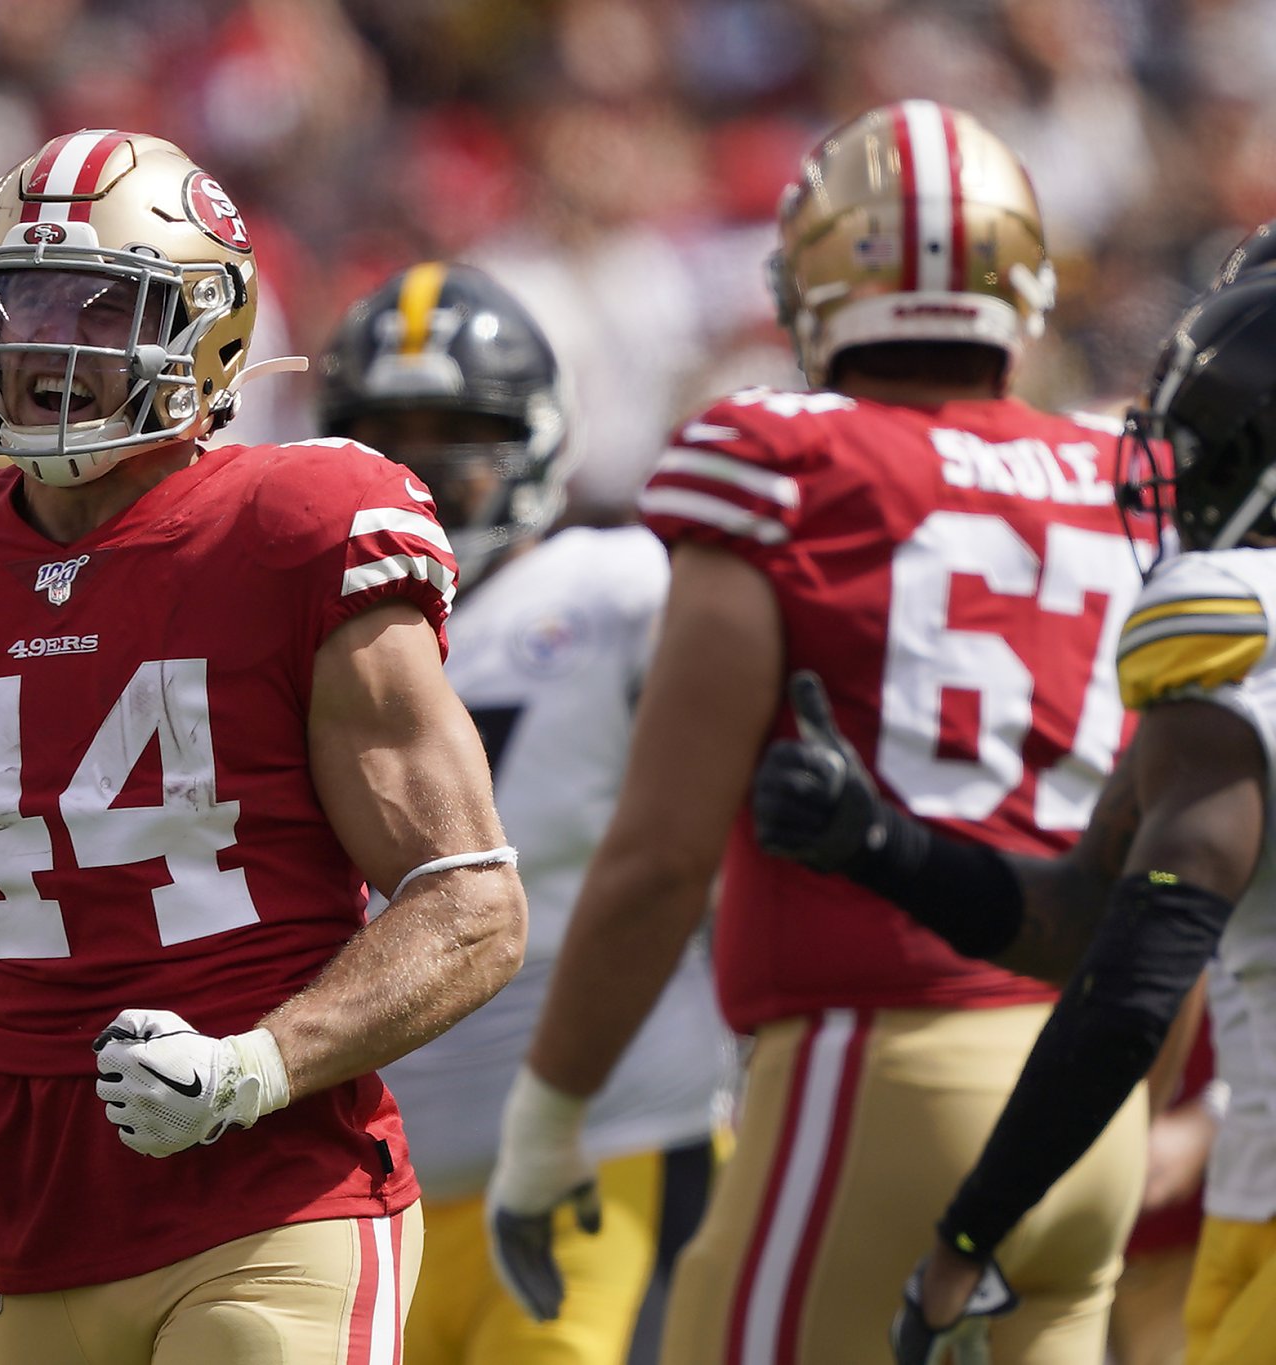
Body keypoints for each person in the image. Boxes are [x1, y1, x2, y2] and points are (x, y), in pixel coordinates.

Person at [0, 129, 528, 1365]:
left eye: (96, 304)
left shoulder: (293, 530)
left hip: (275, 1201)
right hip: (33, 1232)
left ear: (209, 333)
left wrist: (257, 1065)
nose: (46, 344)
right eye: (16, 303)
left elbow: (470, 904)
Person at [486, 100, 1155, 1364]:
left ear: (812, 274)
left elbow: (661, 854)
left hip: (883, 1068)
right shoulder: (1111, 476)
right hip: (1093, 1082)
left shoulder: (776, 458)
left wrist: (547, 1114)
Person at [747, 267, 1276, 1364]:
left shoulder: (1231, 636)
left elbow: (1126, 990)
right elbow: (1084, 915)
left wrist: (967, 1236)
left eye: (1199, 449)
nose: (1167, 485)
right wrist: (880, 846)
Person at [316, 261, 734, 1365]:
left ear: (537, 438)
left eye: (457, 428)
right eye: (385, 431)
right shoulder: (309, 635)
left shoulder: (615, 590)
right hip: (370, 1199)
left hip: (610, 1155)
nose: (419, 467)